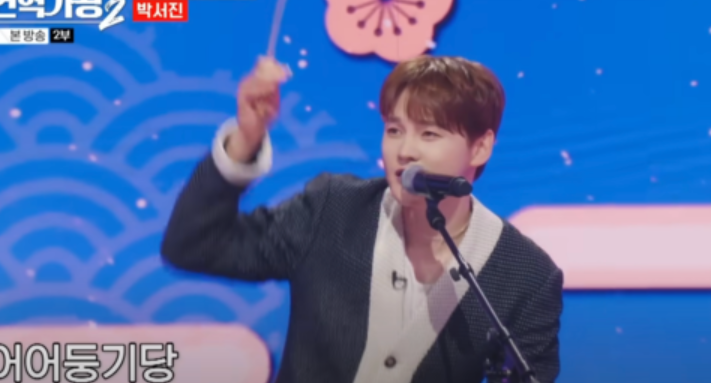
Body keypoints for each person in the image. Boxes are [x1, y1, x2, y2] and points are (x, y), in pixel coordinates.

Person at [160, 55, 564, 383]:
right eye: (394, 130)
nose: (405, 151)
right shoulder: (332, 211)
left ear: (480, 148)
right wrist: (245, 140)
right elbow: (193, 246)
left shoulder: (525, 275)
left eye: (429, 134)